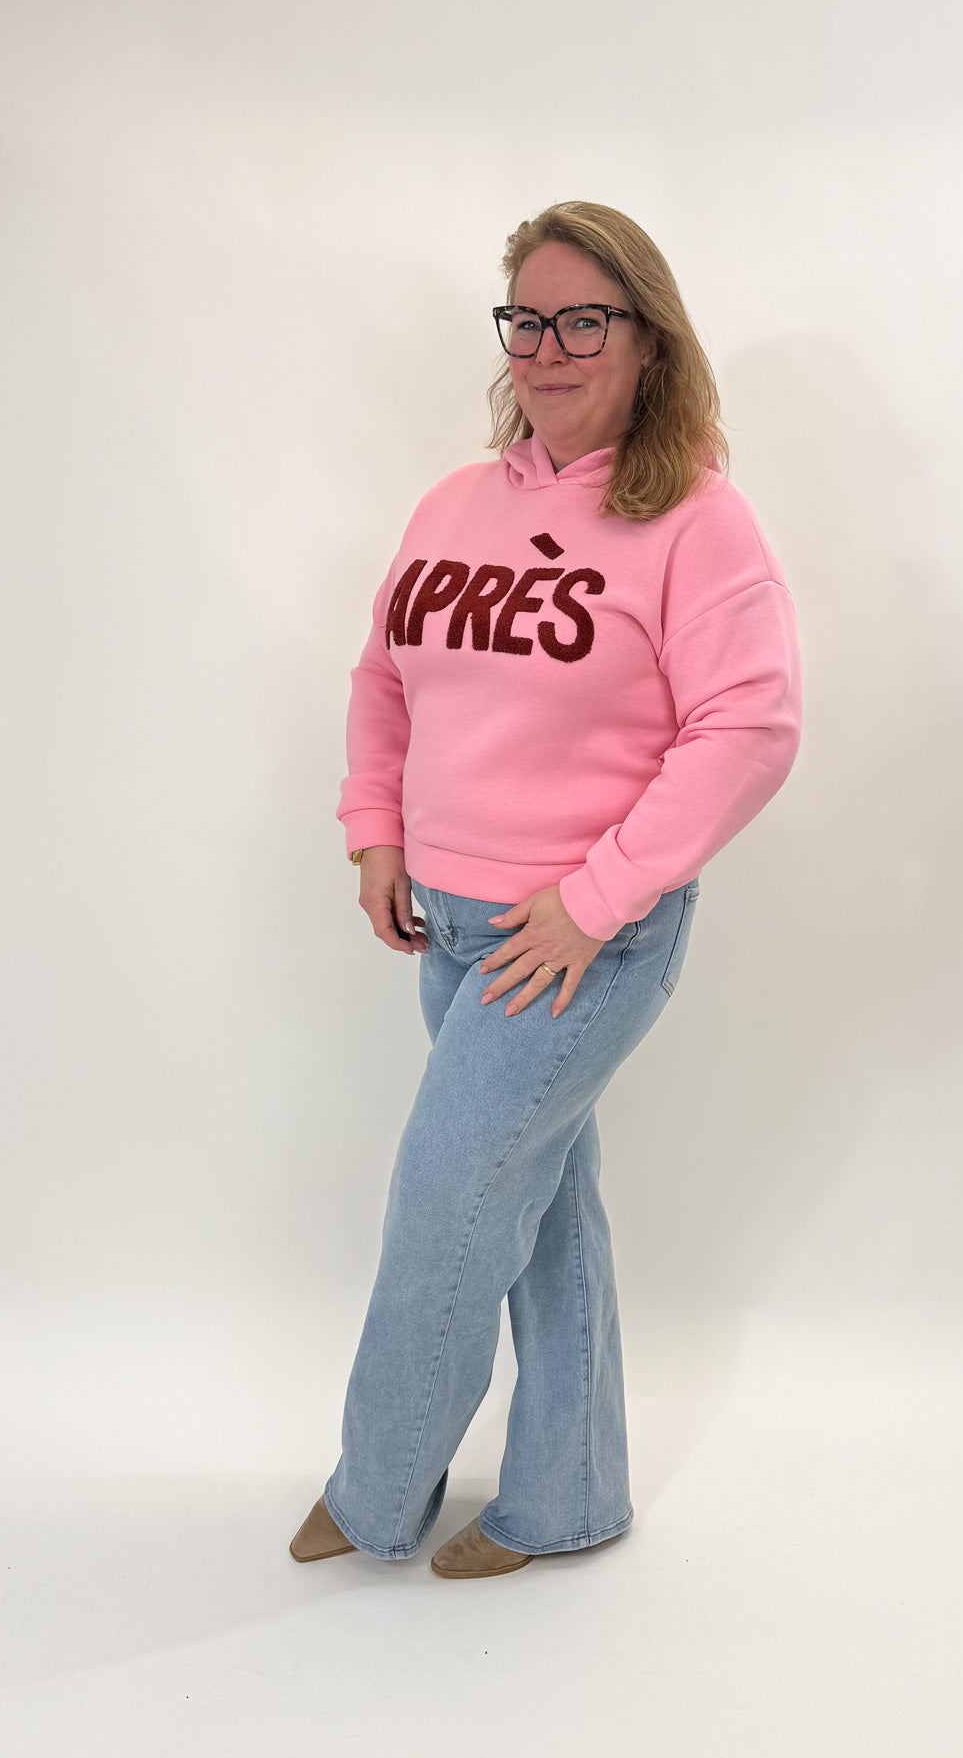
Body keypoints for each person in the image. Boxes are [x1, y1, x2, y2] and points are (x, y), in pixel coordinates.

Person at [290, 200, 802, 1580]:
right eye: (528, 319)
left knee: (445, 1200)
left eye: (586, 320)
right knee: (542, 1205)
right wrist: (377, 831)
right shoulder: (453, 505)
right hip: (451, 928)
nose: (550, 349)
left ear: (648, 342)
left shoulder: (697, 519)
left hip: (579, 940)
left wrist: (598, 897)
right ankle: (568, 1495)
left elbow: (750, 728)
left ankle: (377, 1492)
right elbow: (385, 677)